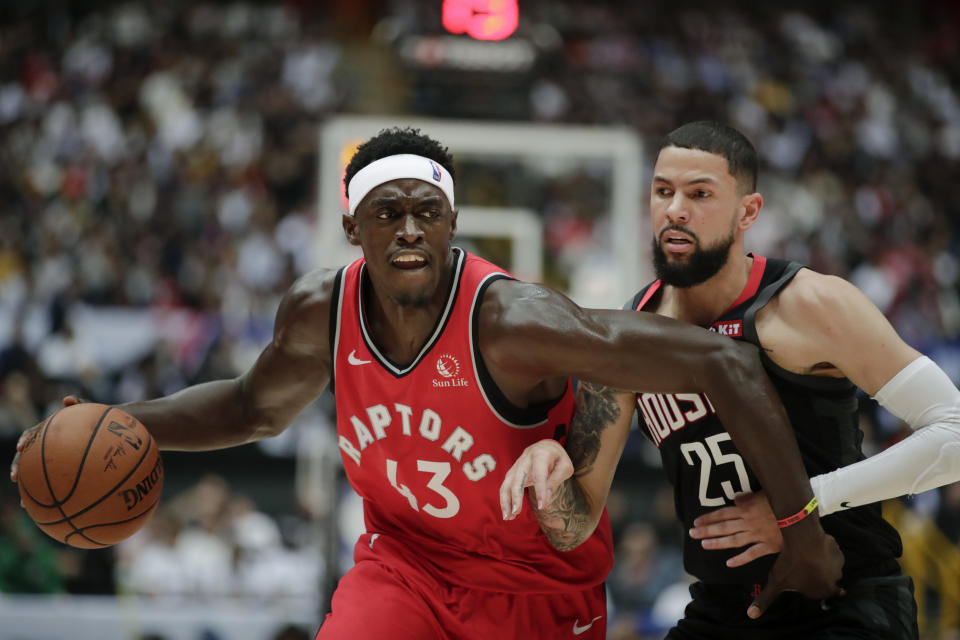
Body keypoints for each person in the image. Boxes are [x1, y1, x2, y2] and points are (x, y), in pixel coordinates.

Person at [11, 127, 842, 639]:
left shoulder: (515, 322)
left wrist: (800, 525)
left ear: (451, 223)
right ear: (352, 226)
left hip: (536, 593)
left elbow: (721, 361)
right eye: (386, 212)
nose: (408, 228)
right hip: (403, 568)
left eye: (426, 212)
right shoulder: (317, 310)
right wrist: (127, 419)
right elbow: (249, 406)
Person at [500, 120, 960, 639]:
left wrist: (801, 505)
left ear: (749, 211)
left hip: (842, 595)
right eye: (662, 191)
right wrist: (548, 465)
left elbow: (955, 433)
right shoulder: (632, 334)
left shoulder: (809, 304)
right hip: (726, 608)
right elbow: (574, 524)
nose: (675, 209)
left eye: (700, 193)